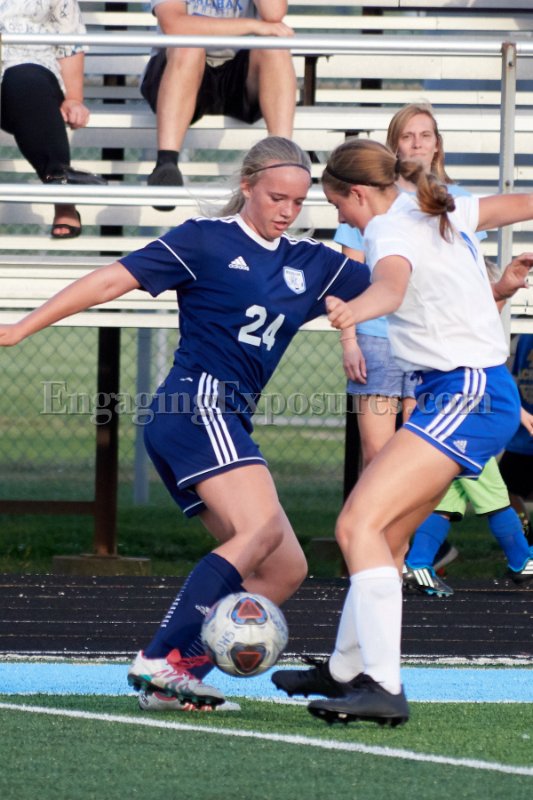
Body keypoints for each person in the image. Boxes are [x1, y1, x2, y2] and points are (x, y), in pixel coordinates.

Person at [0, 136, 371, 711]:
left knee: (283, 567)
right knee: (260, 532)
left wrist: (492, 286)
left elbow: (397, 283)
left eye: (299, 202)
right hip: (197, 405)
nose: (287, 211)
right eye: (276, 197)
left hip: (224, 417)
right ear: (247, 185)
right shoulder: (205, 239)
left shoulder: (311, 262)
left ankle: (176, 677)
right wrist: (23, 327)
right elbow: (111, 280)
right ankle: (161, 656)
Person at [271, 137, 533, 727]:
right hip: (471, 390)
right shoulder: (441, 206)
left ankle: (384, 687)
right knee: (385, 536)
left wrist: (354, 310)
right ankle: (345, 670)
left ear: (358, 194)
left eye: (339, 207)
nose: (342, 219)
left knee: (356, 525)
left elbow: (389, 286)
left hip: (465, 391)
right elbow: (522, 203)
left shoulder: (388, 229)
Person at [141, 0, 296, 204]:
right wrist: (253, 25)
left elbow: (274, 13)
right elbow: (174, 25)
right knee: (188, 45)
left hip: (237, 73)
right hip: (179, 71)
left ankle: (283, 159)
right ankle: (166, 166)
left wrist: (261, 27)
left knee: (274, 47)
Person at [0, 0, 106, 238]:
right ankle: (61, 184)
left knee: (24, 80)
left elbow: (69, 39)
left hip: (29, 68)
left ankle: (61, 187)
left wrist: (74, 98)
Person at [404, 454, 533, 597]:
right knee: (496, 498)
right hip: (470, 444)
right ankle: (521, 561)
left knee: (444, 503)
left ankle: (418, 564)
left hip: (444, 445)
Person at [499, 334, 533, 545]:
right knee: (503, 492)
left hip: (522, 437)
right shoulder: (525, 334)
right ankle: (526, 539)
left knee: (505, 492)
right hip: (523, 436)